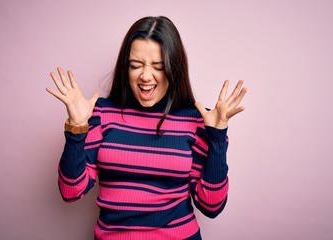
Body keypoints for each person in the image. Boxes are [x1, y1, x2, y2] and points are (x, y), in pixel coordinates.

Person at [46, 16, 247, 240]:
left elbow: (212, 206)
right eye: (135, 65)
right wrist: (76, 127)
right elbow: (71, 191)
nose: (145, 76)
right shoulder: (101, 113)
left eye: (158, 67)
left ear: (174, 69)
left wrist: (217, 138)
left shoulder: (197, 121)